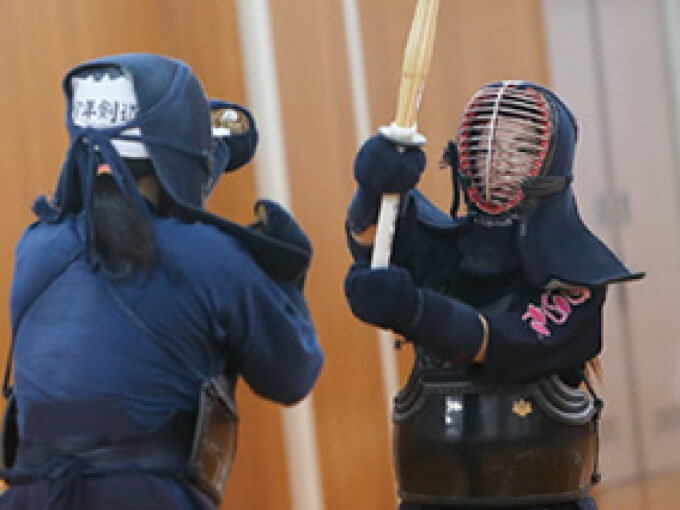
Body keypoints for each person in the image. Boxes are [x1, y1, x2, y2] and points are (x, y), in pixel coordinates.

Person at [0, 53, 323, 510]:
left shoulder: (34, 246)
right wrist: (285, 275)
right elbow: (292, 376)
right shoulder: (210, 256)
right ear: (180, 155)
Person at [344, 81, 643, 510]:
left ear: (550, 165)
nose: (497, 162)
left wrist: (414, 310)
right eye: (485, 146)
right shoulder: (447, 252)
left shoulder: (576, 278)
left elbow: (503, 340)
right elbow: (376, 241)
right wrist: (373, 189)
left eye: (519, 150)